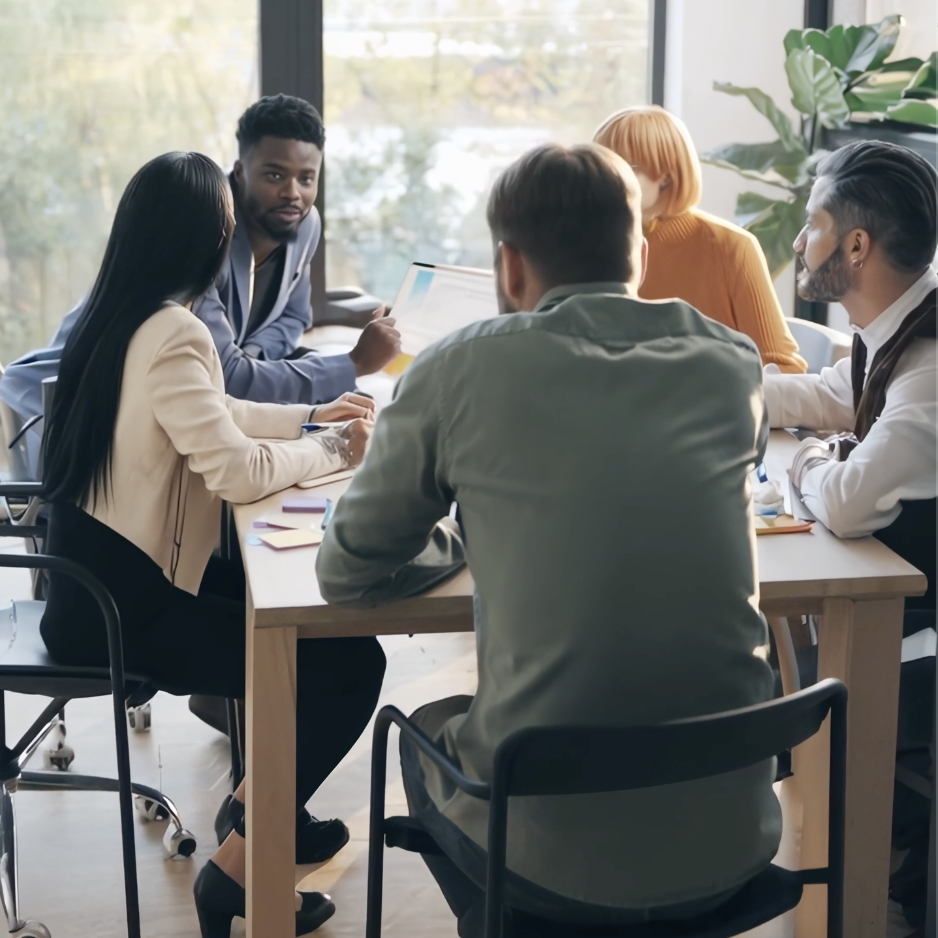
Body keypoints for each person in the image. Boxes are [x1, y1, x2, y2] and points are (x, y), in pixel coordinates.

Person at [316, 143, 781, 934]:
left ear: (509, 265)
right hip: (732, 834)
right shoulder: (731, 363)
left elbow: (347, 569)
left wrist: (467, 534)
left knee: (426, 728)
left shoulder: (461, 368)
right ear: (638, 254)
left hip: (550, 850)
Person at [38, 150, 386, 937]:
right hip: (127, 611)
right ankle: (239, 862)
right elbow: (233, 468)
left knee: (301, 633)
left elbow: (215, 410)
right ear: (197, 240)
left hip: (91, 590)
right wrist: (335, 453)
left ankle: (268, 811)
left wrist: (309, 420)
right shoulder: (173, 330)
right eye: (225, 229)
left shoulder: (115, 314)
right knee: (346, 660)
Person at [0, 93, 401, 479]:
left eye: (307, 178)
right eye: (275, 174)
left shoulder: (304, 223)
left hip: (160, 412)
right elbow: (227, 378)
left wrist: (255, 357)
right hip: (70, 417)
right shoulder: (204, 235)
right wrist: (352, 365)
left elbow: (294, 316)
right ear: (240, 172)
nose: (292, 193)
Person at [762, 140, 936, 929]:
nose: (800, 243)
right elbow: (831, 395)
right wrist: (713, 381)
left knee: (775, 655)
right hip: (902, 618)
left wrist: (804, 466)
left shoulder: (929, 367)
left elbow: (848, 501)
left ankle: (865, 876)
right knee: (780, 642)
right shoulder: (890, 331)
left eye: (811, 225)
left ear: (856, 245)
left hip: (919, 642)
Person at [593, 104, 807, 373]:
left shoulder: (732, 248)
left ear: (666, 176)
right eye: (601, 167)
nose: (605, 181)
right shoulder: (593, 245)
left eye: (625, 168)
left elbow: (783, 367)